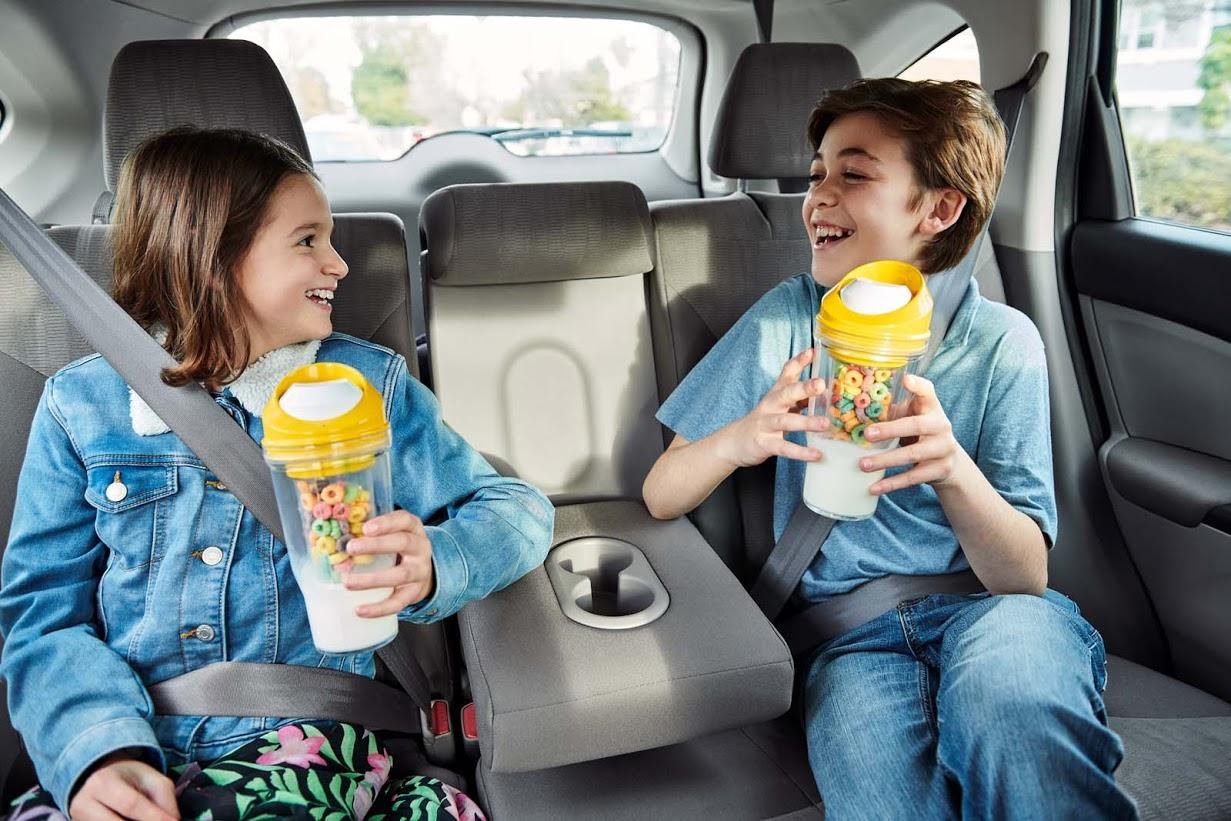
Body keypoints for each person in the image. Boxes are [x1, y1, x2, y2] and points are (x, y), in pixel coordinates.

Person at [1, 127, 553, 821]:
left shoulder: (363, 389)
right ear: (212, 254)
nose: (340, 264)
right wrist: (97, 751)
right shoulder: (83, 406)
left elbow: (516, 508)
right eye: (307, 240)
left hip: (309, 739)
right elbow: (41, 618)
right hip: (134, 741)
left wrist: (435, 561)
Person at [643, 79, 1137, 819]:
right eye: (815, 174)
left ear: (937, 209)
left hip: (992, 613)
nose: (817, 196)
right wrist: (742, 438)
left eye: (854, 172)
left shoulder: (1002, 344)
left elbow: (1023, 575)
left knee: (1010, 714)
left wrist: (950, 468)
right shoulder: (790, 323)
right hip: (849, 642)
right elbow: (661, 489)